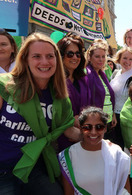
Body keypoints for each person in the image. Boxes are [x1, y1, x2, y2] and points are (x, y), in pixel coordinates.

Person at [0, 32, 75, 194]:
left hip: (35, 168)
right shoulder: (5, 87)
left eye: (50, 56)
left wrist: (99, 139)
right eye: (36, 56)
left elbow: (68, 129)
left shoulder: (59, 97)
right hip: (3, 170)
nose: (44, 62)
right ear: (25, 59)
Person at [58, 106, 131, 195]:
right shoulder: (68, 156)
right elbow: (69, 193)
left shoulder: (116, 152)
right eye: (87, 127)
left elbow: (125, 188)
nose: (93, 132)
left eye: (99, 127)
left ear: (105, 128)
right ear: (81, 129)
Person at [56, 33, 90, 151]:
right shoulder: (55, 80)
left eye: (78, 54)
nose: (75, 57)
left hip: (84, 137)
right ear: (60, 55)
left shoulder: (83, 79)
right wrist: (71, 122)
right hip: (63, 141)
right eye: (70, 54)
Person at [85, 41, 117, 141]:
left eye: (103, 56)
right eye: (97, 56)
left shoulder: (102, 75)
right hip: (96, 123)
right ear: (90, 57)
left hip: (108, 120)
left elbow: (108, 97)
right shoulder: (86, 74)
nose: (101, 59)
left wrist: (113, 115)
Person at [110, 47, 132, 148]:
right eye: (125, 58)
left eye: (130, 59)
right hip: (114, 116)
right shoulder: (115, 73)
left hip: (128, 118)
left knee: (127, 146)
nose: (127, 61)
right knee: (116, 145)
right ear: (119, 59)